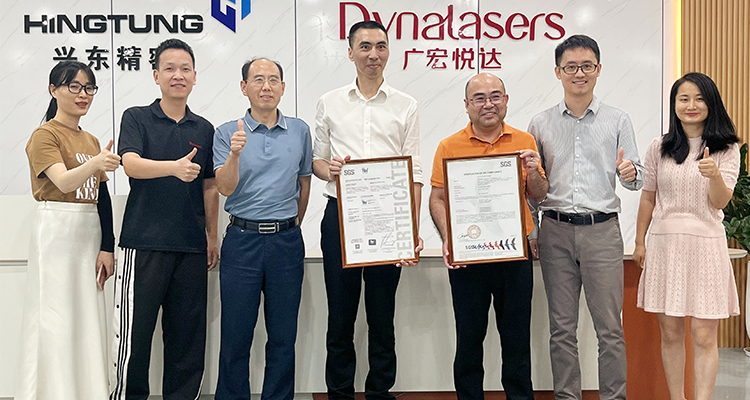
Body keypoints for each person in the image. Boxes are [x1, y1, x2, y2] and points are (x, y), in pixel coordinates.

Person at [528, 34, 644, 400]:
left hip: (602, 232)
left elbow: (636, 177)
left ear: (598, 69)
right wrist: (532, 230)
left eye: (587, 66)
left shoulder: (617, 119)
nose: (580, 73)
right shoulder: (540, 123)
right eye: (571, 67)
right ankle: (567, 397)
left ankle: (614, 396)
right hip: (555, 231)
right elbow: (532, 184)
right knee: (561, 329)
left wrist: (630, 173)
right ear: (558, 72)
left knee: (610, 329)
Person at [313, 20, 423, 400]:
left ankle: (379, 391)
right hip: (340, 216)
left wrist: (411, 230)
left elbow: (414, 171)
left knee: (382, 316)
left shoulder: (406, 105)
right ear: (350, 52)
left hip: (389, 218)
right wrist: (330, 169)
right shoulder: (329, 102)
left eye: (380, 46)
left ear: (388, 51)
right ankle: (339, 392)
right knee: (340, 315)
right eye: (364, 46)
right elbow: (317, 162)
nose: (373, 54)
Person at [110, 38, 219, 400]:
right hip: (144, 244)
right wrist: (173, 168)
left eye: (185, 69)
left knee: (188, 340)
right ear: (156, 75)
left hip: (191, 246)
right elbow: (130, 164)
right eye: (169, 69)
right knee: (135, 338)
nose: (178, 75)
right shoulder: (137, 117)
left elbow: (209, 186)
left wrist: (212, 236)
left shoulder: (204, 128)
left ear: (195, 76)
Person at [429, 73, 548, 400]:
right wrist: (448, 237)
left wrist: (534, 170)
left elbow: (539, 194)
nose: (488, 104)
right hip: (469, 257)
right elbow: (437, 198)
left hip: (514, 255)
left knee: (516, 340)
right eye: (479, 98)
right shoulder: (449, 146)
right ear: (467, 105)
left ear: (506, 101)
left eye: (495, 96)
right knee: (469, 340)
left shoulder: (524, 140)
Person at [633, 72, 740, 400]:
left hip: (706, 246)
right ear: (674, 104)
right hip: (665, 245)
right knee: (670, 332)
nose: (691, 105)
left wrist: (714, 176)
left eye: (699, 99)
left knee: (704, 334)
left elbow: (720, 202)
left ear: (711, 104)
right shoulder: (660, 147)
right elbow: (648, 197)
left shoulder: (726, 148)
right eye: (684, 99)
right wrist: (639, 241)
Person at [18, 60, 120, 400]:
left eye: (88, 87)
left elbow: (102, 197)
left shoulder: (90, 139)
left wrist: (108, 246)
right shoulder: (44, 135)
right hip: (57, 230)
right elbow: (62, 182)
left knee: (87, 316)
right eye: (73, 86)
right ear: (54, 90)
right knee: (55, 315)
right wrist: (96, 163)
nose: (82, 94)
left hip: (89, 232)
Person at [212, 57, 312, 400]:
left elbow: (304, 183)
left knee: (283, 336)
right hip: (242, 241)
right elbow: (224, 187)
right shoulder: (227, 132)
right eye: (258, 79)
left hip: (286, 241)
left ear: (283, 87)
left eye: (273, 80)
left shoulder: (299, 130)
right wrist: (235, 155)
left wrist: (291, 225)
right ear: (244, 87)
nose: (266, 86)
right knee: (235, 335)